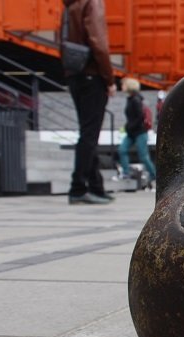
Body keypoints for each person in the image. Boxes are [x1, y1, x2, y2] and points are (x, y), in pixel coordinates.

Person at [62, 0, 116, 205]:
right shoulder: (92, 2)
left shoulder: (69, 6)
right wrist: (109, 79)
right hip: (92, 74)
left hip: (74, 73)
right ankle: (78, 188)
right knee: (89, 135)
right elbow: (98, 42)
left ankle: (96, 187)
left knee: (87, 133)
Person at [116, 78, 156, 182]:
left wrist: (129, 126)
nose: (122, 86)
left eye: (124, 84)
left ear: (129, 86)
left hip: (140, 132)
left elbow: (140, 117)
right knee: (122, 150)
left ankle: (154, 175)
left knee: (143, 156)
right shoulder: (130, 99)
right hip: (131, 132)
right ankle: (126, 173)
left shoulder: (135, 100)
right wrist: (128, 127)